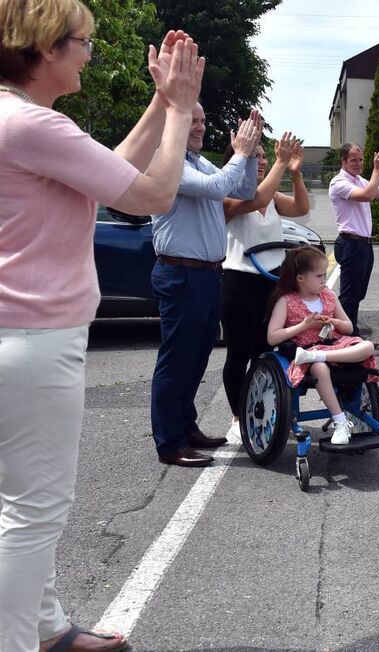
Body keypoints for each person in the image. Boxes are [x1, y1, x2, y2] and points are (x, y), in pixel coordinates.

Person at [0, 1, 203, 647]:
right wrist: (176, 108)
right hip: (25, 342)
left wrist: (160, 103)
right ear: (47, 47)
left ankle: (49, 629)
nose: (91, 52)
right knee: (33, 515)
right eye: (85, 41)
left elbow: (109, 175)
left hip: (13, 338)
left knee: (34, 507)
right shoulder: (29, 124)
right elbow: (149, 195)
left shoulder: (13, 117)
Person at [148, 104, 261, 468]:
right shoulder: (167, 160)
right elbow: (216, 188)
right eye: (192, 120)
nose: (199, 127)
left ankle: (186, 426)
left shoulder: (200, 161)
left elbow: (243, 189)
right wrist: (241, 154)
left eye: (201, 120)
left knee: (196, 358)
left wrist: (246, 157)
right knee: (177, 359)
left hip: (208, 273)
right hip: (182, 274)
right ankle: (170, 442)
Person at [220, 133, 310, 441]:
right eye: (254, 156)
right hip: (239, 282)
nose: (261, 161)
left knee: (267, 350)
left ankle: (264, 406)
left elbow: (301, 208)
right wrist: (282, 164)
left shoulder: (269, 196)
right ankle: (237, 415)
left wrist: (296, 173)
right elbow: (255, 198)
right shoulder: (228, 194)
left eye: (263, 157)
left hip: (271, 282)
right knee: (239, 354)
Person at [266, 246, 377, 446]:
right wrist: (304, 325)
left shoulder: (328, 295)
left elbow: (349, 327)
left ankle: (318, 358)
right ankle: (340, 422)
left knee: (367, 346)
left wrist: (334, 323)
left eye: (324, 275)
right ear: (300, 278)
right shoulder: (287, 301)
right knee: (319, 369)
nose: (324, 280)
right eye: (319, 276)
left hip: (332, 346)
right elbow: (273, 337)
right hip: (306, 347)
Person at [328, 144, 379, 336]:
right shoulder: (339, 182)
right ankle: (345, 337)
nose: (358, 164)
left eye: (360, 159)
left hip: (364, 244)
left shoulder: (360, 180)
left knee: (358, 294)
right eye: (353, 160)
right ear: (343, 161)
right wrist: (377, 169)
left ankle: (350, 334)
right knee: (349, 296)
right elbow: (367, 196)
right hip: (350, 243)